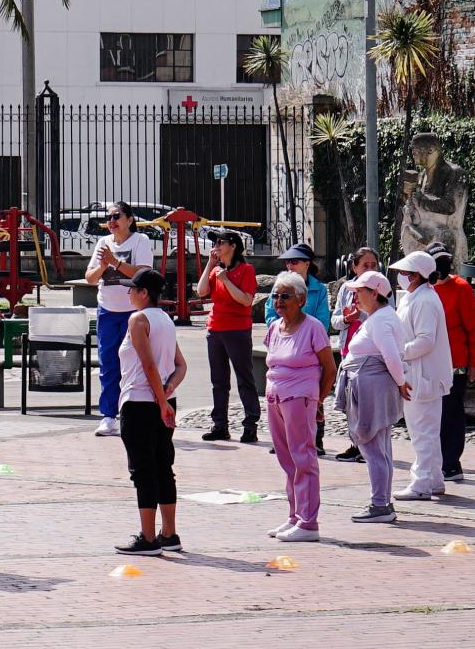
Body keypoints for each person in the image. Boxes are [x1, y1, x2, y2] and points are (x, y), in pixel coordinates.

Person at [115, 269, 189, 555]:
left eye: (132, 289)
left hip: (139, 402)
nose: (129, 294)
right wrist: (168, 392)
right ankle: (169, 533)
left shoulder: (139, 319)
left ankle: (148, 538)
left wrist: (160, 402)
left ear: (144, 293)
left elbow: (147, 366)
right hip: (163, 401)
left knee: (143, 470)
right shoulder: (166, 320)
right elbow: (180, 364)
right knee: (163, 467)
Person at [262, 272, 336, 542]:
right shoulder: (274, 328)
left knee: (303, 457)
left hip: (300, 398)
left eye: (285, 296)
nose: (278, 301)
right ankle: (294, 515)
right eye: (275, 296)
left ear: (301, 299)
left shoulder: (313, 327)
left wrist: (319, 400)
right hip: (275, 398)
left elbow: (329, 369)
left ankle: (308, 522)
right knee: (286, 458)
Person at [336, 271, 408, 525]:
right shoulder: (379, 317)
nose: (354, 295)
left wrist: (401, 383)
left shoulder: (380, 321)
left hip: (371, 388)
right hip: (373, 385)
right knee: (380, 447)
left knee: (373, 447)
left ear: (375, 293)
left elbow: (391, 356)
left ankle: (380, 505)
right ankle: (382, 502)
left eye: (359, 291)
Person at [84, 201, 154, 438]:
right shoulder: (103, 243)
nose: (112, 221)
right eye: (109, 218)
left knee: (136, 362)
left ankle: (136, 412)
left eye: (117, 216)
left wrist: (116, 263)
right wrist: (104, 266)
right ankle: (108, 415)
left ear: (130, 219)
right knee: (109, 363)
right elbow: (91, 278)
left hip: (134, 312)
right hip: (107, 310)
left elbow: (144, 274)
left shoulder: (140, 241)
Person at [389, 250, 453, 502]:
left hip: (422, 375)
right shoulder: (415, 297)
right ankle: (434, 479)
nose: (401, 277)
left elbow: (425, 340)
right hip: (418, 374)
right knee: (425, 430)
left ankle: (422, 483)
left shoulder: (425, 300)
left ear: (416, 276)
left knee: (422, 431)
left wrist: (398, 353)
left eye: (405, 273)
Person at [427, 243, 475, 483]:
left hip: (455, 362)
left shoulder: (461, 288)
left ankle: (451, 461)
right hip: (429, 362)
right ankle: (435, 460)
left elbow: (473, 327)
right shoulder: (424, 289)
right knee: (431, 414)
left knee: (451, 412)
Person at [197, 231, 259, 443]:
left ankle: (250, 425)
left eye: (220, 242)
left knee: (244, 377)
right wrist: (209, 265)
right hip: (216, 328)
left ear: (233, 246)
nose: (216, 245)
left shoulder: (246, 270)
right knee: (219, 380)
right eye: (215, 242)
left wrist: (226, 280)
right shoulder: (216, 270)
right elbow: (201, 291)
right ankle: (220, 425)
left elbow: (245, 300)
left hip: (237, 329)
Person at [331, 247, 381, 462]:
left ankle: (369, 445)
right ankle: (355, 443)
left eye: (373, 265)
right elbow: (334, 320)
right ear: (354, 268)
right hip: (348, 351)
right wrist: (346, 319)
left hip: (370, 354)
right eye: (364, 266)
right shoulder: (346, 289)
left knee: (368, 403)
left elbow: (387, 319)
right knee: (350, 403)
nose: (369, 269)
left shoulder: (381, 287)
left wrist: (361, 314)